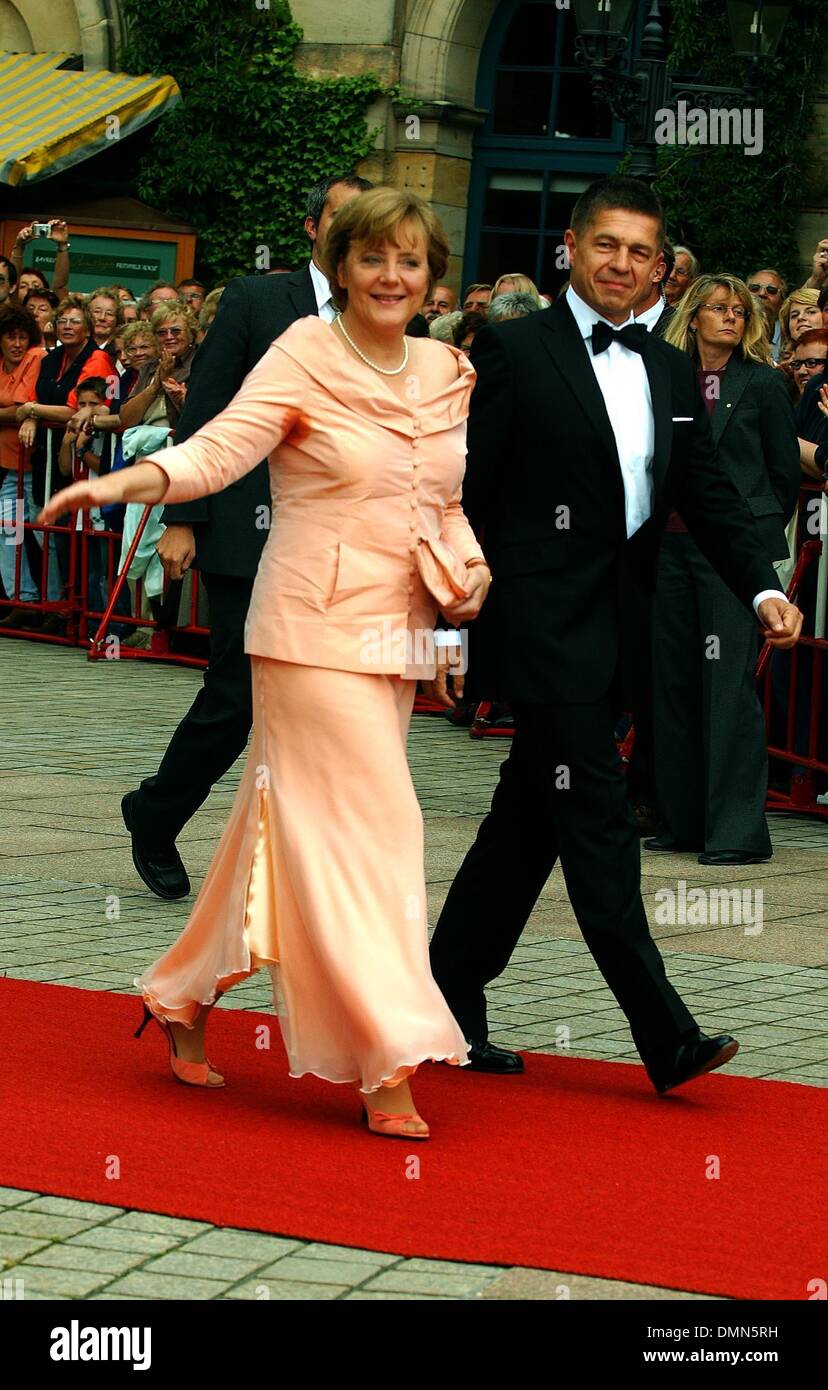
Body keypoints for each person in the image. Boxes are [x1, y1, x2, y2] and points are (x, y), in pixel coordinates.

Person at [39, 187, 490, 1140]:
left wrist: (453, 625)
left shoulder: (448, 369)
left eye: (410, 261)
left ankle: (183, 995)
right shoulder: (303, 354)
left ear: (431, 277)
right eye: (373, 258)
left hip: (397, 634)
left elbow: (440, 508)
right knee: (379, 832)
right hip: (307, 633)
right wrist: (123, 482)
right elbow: (218, 450)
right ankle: (387, 1055)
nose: (392, 277)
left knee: (274, 826)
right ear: (340, 265)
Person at [427, 176, 802, 1090]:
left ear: (660, 266)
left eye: (641, 252)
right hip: (540, 628)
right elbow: (464, 495)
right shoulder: (513, 349)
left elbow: (704, 491)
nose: (622, 265)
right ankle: (663, 1033)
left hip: (620, 633)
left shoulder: (674, 370)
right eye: (607, 246)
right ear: (571, 246)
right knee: (596, 819)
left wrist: (761, 586)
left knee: (528, 821)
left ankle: (441, 991)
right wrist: (442, 625)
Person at [119, 172, 371, 901]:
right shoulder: (260, 300)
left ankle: (304, 865)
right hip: (246, 527)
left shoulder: (381, 311)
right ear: (311, 227)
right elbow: (205, 410)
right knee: (239, 695)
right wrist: (182, 517)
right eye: (341, 217)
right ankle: (157, 812)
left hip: (337, 538)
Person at [647, 274, 800, 864]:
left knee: (729, 688)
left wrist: (750, 537)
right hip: (668, 546)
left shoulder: (763, 382)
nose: (731, 317)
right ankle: (682, 822)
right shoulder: (666, 376)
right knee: (674, 683)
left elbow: (783, 473)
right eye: (718, 308)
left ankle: (736, 833)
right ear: (694, 315)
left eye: (740, 310)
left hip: (732, 557)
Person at [0, 303, 46, 627]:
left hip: (35, 467)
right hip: (10, 469)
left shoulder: (36, 357)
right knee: (9, 531)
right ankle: (23, 599)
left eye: (22, 337)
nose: (17, 343)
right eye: (10, 337)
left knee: (46, 535)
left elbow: (20, 408)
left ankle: (55, 604)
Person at [746, 268, 786, 362]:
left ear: (781, 301)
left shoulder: (788, 331)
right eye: (754, 288)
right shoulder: (733, 325)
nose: (762, 293)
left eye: (771, 290)